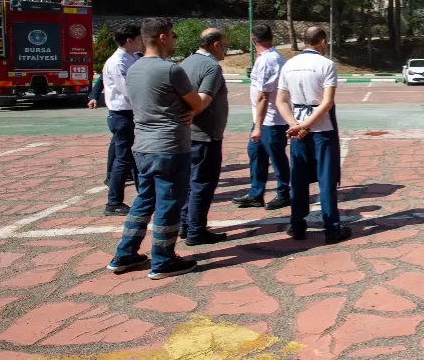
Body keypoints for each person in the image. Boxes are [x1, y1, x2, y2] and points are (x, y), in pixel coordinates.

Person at [108, 18, 205, 279]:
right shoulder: (170, 70)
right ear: (162, 37)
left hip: (143, 146)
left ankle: (124, 254)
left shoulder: (134, 67)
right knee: (169, 204)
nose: (174, 40)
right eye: (172, 35)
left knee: (143, 200)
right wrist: (193, 108)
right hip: (170, 145)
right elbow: (196, 102)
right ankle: (162, 260)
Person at [276, 26, 351, 244]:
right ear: (321, 41)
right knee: (326, 180)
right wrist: (306, 126)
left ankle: (297, 225)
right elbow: (327, 102)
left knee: (298, 178)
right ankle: (332, 228)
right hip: (322, 128)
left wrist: (295, 124)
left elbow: (281, 100)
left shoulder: (290, 64)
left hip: (298, 125)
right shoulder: (326, 64)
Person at [177, 28, 230, 246]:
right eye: (225, 45)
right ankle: (196, 230)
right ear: (215, 44)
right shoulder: (211, 67)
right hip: (205, 135)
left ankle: (185, 225)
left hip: (187, 134)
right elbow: (203, 99)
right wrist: (193, 113)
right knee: (202, 184)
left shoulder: (185, 62)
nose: (226, 49)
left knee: (189, 183)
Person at [233, 24, 291, 210]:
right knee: (256, 154)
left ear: (253, 40)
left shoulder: (269, 60)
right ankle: (256, 193)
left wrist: (258, 126)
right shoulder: (266, 58)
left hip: (271, 120)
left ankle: (284, 193)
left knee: (277, 157)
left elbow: (263, 96)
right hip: (263, 119)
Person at [101, 24, 143, 216]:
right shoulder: (119, 62)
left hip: (129, 114)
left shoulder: (131, 58)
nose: (142, 41)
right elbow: (128, 90)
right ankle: (113, 201)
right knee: (123, 160)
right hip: (122, 114)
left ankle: (143, 193)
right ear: (130, 40)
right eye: (139, 38)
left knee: (133, 158)